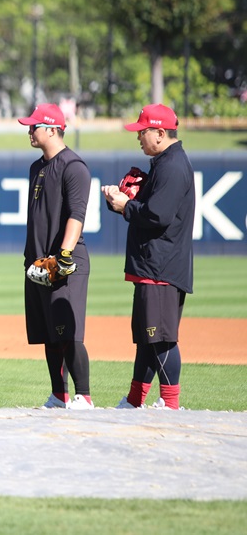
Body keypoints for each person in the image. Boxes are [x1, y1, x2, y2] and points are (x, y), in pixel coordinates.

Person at [102, 104, 194, 410]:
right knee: (147, 338)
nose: (139, 137)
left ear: (160, 132)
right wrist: (127, 199)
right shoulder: (164, 163)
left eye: (143, 132)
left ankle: (170, 404)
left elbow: (158, 215)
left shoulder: (172, 166)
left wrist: (125, 206)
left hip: (161, 266)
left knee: (162, 338)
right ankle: (134, 400)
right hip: (153, 264)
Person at [19, 103, 95, 410]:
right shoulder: (37, 167)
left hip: (66, 262)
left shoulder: (74, 167)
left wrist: (63, 255)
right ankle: (59, 394)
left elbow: (77, 215)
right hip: (38, 261)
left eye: (34, 126)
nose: (29, 131)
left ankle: (84, 395)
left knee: (67, 331)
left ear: (52, 129)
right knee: (49, 334)